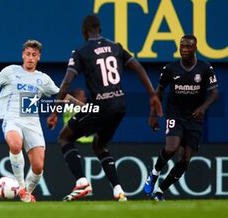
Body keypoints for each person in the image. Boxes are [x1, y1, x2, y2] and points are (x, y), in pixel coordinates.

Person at [47, 14, 163, 202]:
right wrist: (152, 95)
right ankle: (118, 190)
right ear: (100, 29)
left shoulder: (81, 51)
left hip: (99, 105)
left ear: (84, 32)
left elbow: (67, 81)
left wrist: (54, 111)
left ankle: (82, 182)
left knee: (64, 138)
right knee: (99, 145)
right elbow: (139, 68)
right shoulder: (116, 47)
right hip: (119, 105)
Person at [0, 40, 59, 203]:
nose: (30, 58)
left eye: (34, 55)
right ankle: (21, 187)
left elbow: (61, 94)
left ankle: (27, 193)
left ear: (39, 57)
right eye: (28, 54)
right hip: (12, 118)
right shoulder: (10, 71)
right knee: (15, 145)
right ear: (23, 55)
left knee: (38, 166)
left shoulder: (43, 79)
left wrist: (56, 113)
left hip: (32, 123)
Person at [143, 34, 219, 201]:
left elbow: (214, 93)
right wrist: (152, 115)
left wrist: (203, 108)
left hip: (194, 117)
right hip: (175, 113)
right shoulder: (170, 68)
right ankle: (154, 174)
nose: (184, 50)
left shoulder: (205, 68)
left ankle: (160, 191)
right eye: (182, 46)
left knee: (185, 159)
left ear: (195, 48)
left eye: (188, 46)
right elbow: (159, 92)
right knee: (171, 148)